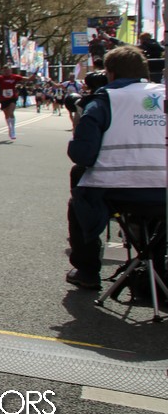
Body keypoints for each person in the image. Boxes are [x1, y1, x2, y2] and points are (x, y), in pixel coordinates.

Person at [64, 46, 167, 290]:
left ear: (110, 73)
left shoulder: (104, 101)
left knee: (79, 187)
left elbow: (82, 155)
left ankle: (88, 270)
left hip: (117, 192)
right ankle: (157, 267)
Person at [0, 66, 32, 141]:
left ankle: (13, 130)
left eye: (8, 71)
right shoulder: (0, 78)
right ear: (2, 71)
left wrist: (34, 74)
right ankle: (9, 127)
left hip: (12, 97)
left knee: (11, 112)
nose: (6, 72)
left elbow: (28, 79)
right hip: (3, 98)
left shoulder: (15, 77)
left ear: (10, 71)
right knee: (6, 114)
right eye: (5, 71)